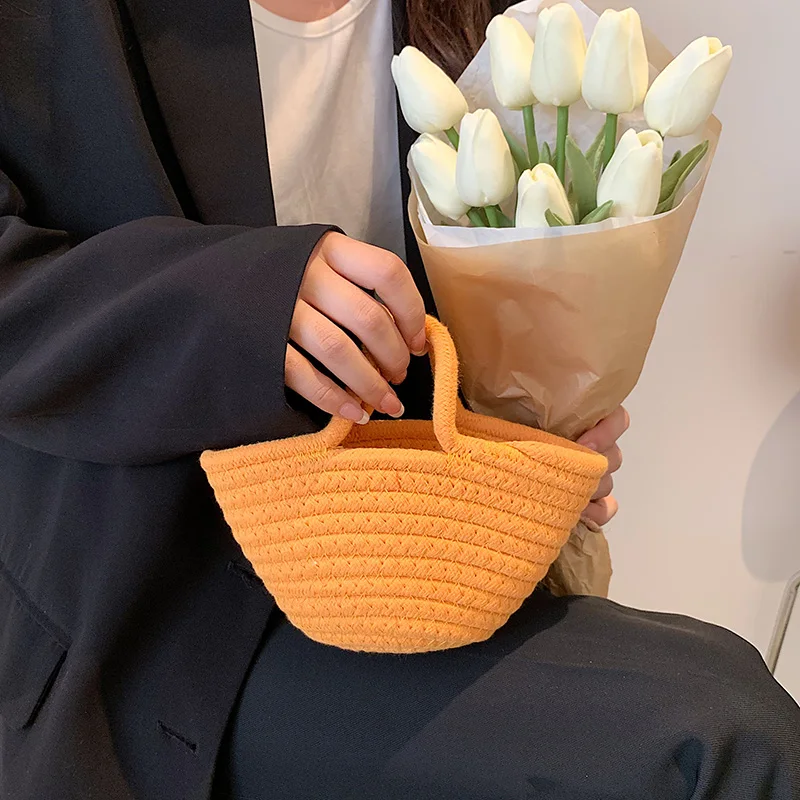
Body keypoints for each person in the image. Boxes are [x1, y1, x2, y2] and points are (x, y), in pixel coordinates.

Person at [0, 0, 796, 798]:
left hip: (417, 560)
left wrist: (527, 433)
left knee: (726, 710)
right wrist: (246, 305)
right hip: (154, 607)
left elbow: (460, 310)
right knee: (721, 737)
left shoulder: (471, 16)